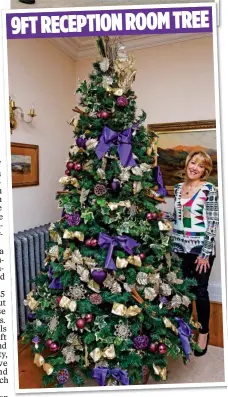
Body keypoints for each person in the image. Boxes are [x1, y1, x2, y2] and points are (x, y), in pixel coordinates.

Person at [164, 150, 219, 356]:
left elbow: (213, 222)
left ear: (205, 170)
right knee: (183, 292)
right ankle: (185, 331)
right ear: (188, 164)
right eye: (193, 162)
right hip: (179, 247)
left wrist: (205, 253)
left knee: (200, 292)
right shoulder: (178, 188)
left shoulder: (209, 189)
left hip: (200, 249)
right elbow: (180, 216)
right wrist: (162, 216)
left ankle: (204, 333)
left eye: (200, 165)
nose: (195, 167)